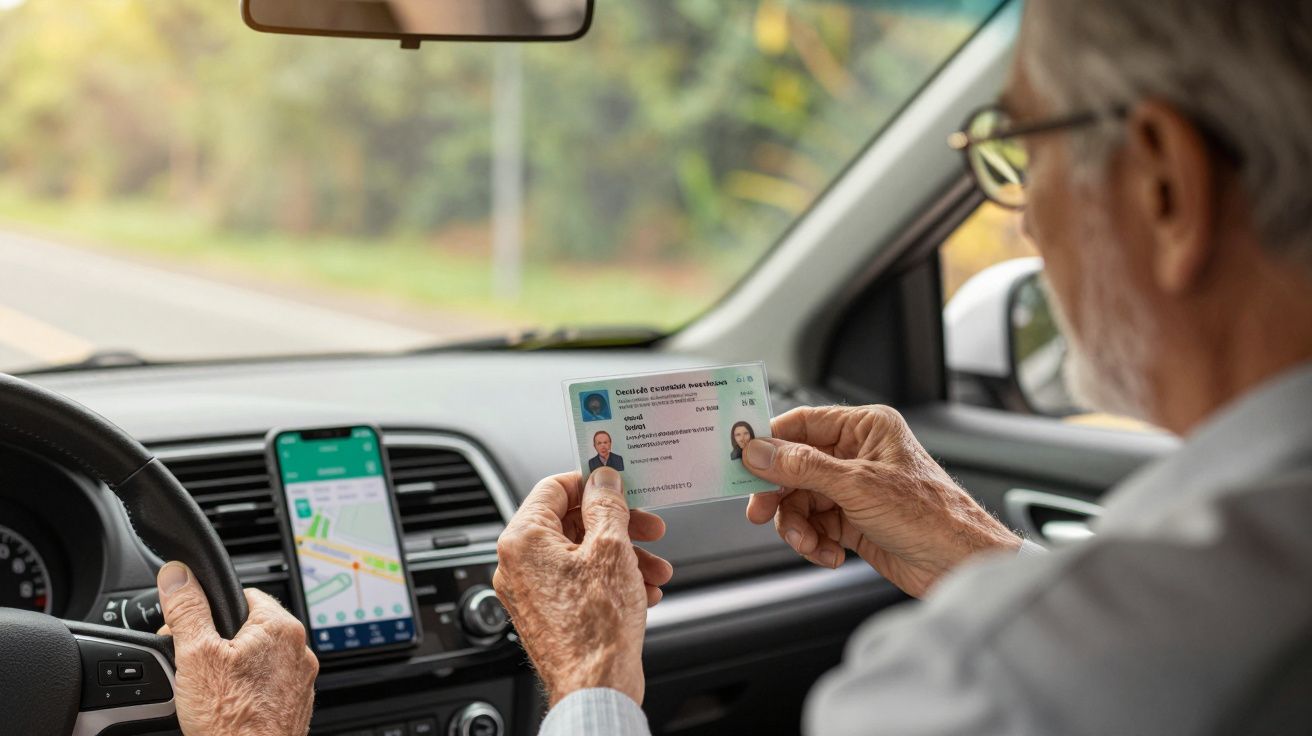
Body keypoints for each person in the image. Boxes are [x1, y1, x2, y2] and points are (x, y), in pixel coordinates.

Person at [157, 1, 1312, 734]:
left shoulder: (986, 690)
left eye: (1018, 155)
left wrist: (593, 671)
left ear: (1161, 185)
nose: (1019, 225)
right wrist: (969, 551)